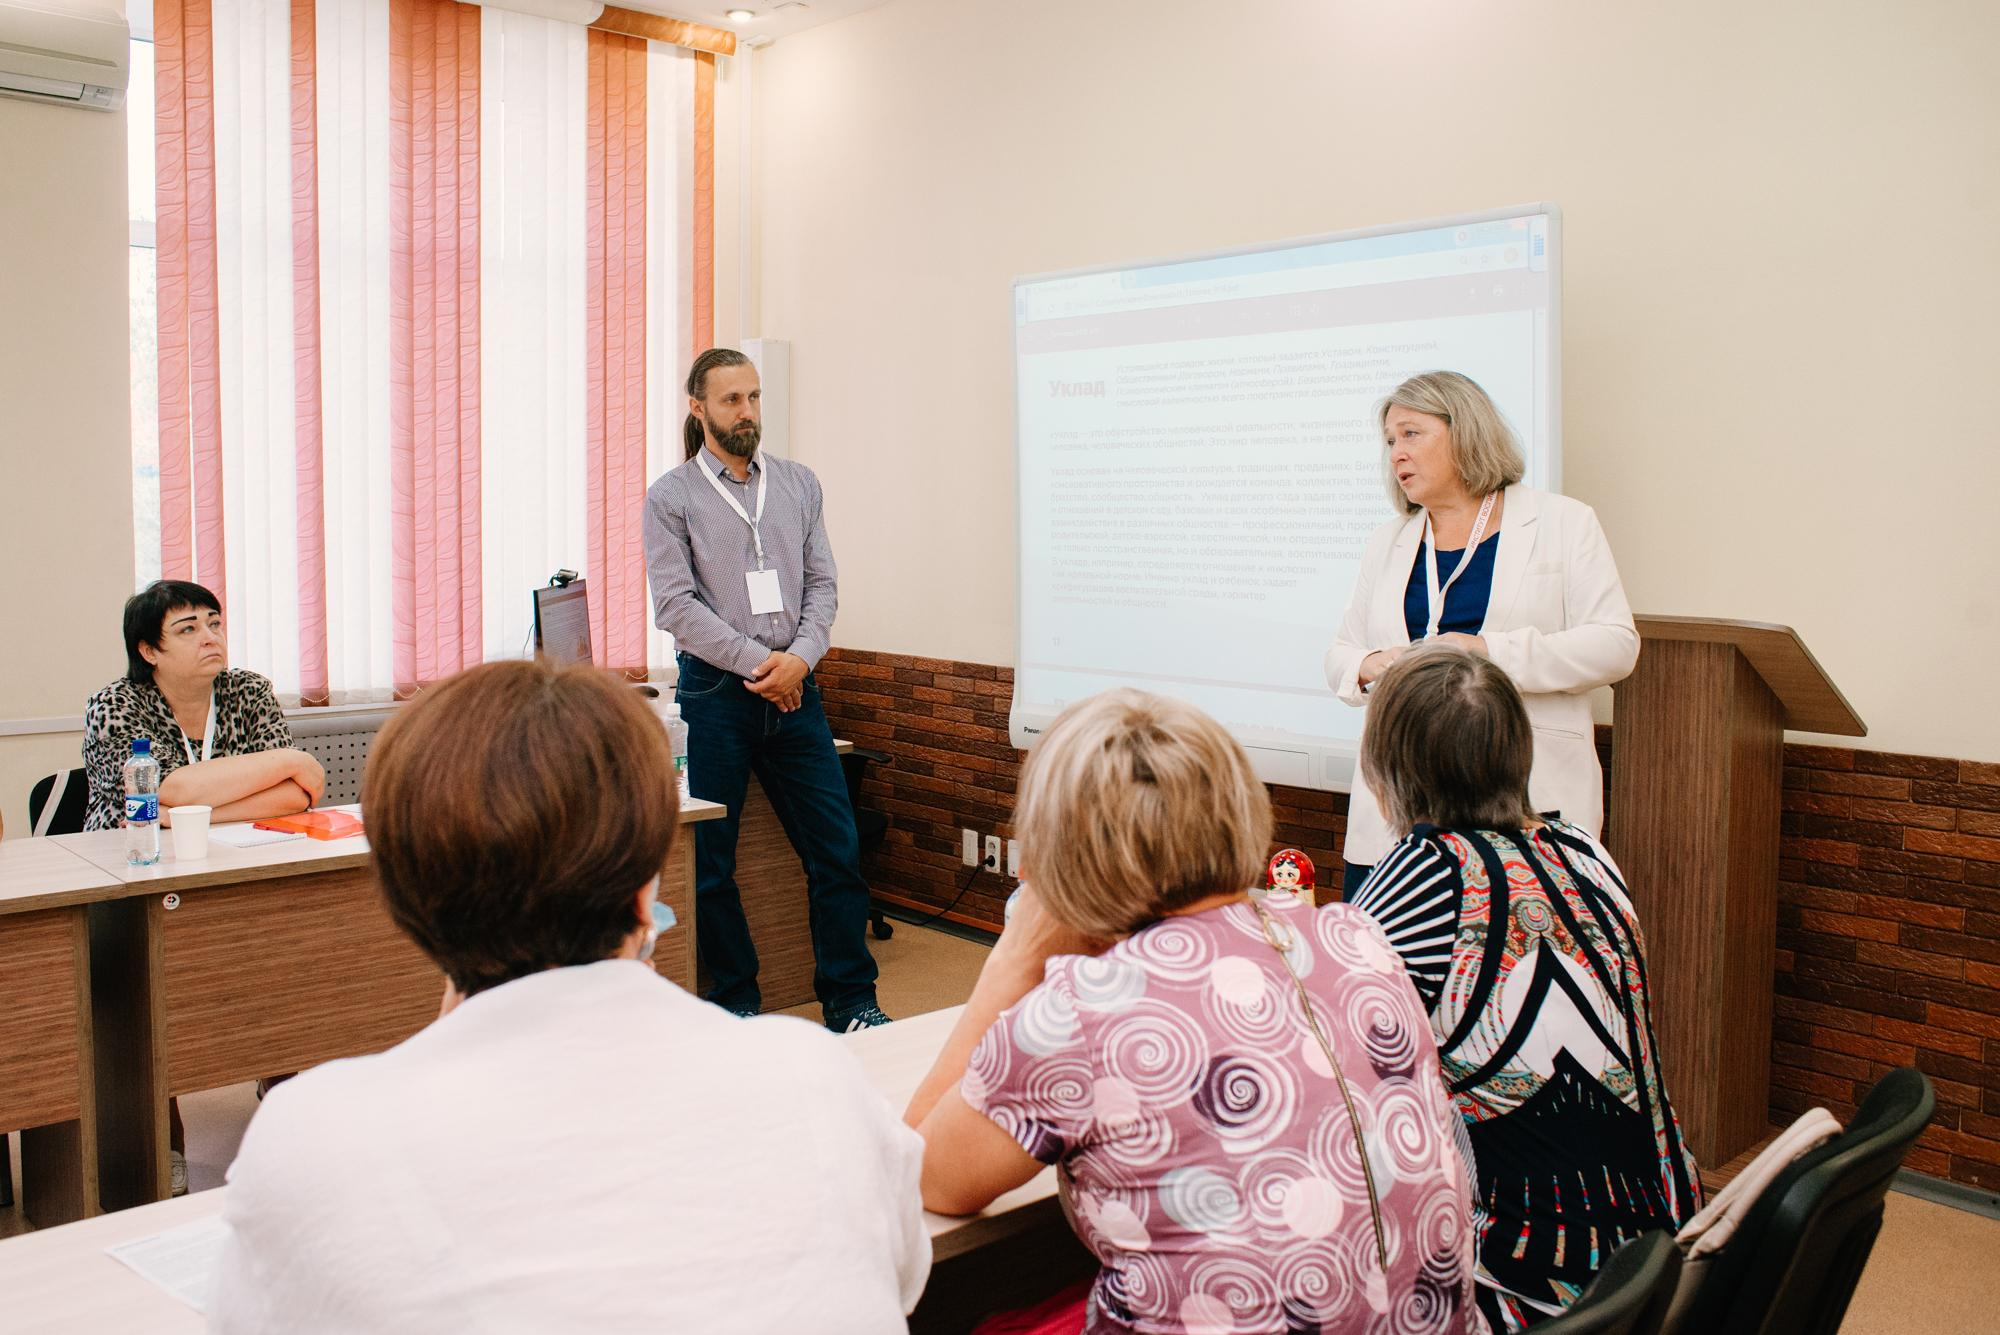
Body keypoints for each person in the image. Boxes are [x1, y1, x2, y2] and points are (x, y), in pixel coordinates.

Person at [207, 661, 929, 1334]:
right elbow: (900, 1280)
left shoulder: (313, 1135)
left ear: (398, 897)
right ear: (650, 880)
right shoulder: (814, 1071)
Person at [905, 688, 1476, 1335]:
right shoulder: (1358, 939)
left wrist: (1012, 961)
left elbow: (921, 1175)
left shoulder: (1082, 1011)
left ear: (1057, 853)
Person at [1345, 647, 1700, 1331]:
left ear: (1385, 768)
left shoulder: (1412, 883)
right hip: (1664, 1255)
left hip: (1524, 1288)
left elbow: (1338, 1104)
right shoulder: (1584, 852)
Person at [642, 347, 887, 1031]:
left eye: (753, 398)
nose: (747, 412)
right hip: (718, 694)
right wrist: (761, 664)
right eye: (731, 400)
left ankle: (851, 999)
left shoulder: (800, 483)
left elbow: (823, 585)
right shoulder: (670, 497)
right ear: (698, 408)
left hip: (796, 690)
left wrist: (800, 661)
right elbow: (676, 607)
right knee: (712, 866)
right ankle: (737, 1003)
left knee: (836, 850)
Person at [1324, 371, 1638, 894]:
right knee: (1394, 966)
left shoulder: (1563, 522)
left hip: (1523, 801)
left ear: (1465, 430)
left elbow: (1615, 645)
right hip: (1404, 808)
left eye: (1411, 434)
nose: (1396, 453)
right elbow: (1341, 653)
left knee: (1515, 960)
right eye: (1389, 442)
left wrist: (1489, 652)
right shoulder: (1389, 540)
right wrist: (1376, 664)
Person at [81, 580, 326, 833]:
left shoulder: (249, 690)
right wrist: (291, 760)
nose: (210, 638)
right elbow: (171, 788)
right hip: (134, 852)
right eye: (188, 629)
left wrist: (184, 817)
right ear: (149, 651)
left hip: (232, 849)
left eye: (214, 624)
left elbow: (295, 796)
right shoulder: (115, 704)